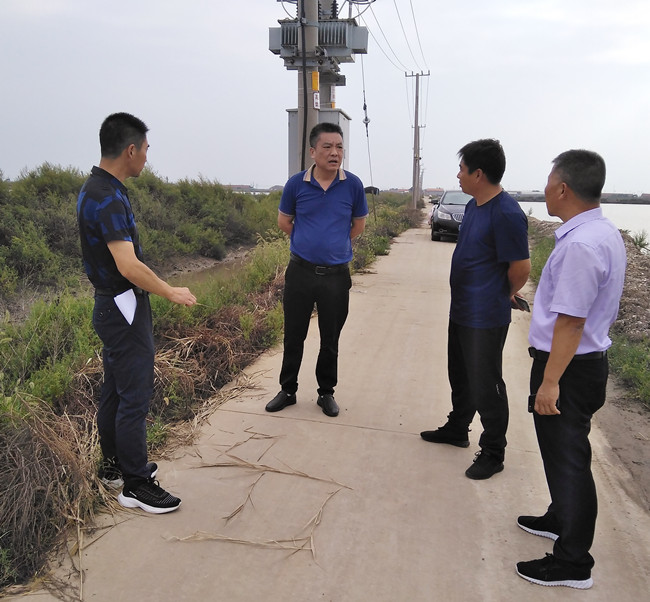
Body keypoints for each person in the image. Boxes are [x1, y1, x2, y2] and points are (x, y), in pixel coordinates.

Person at [516, 150, 626, 589]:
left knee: (569, 461)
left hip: (569, 369)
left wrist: (550, 382)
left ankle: (573, 562)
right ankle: (560, 517)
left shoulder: (582, 244)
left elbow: (572, 322)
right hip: (582, 364)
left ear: (562, 188)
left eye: (548, 181)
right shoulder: (600, 230)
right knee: (563, 454)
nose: (544, 189)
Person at [77, 112, 196, 514]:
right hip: (122, 307)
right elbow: (127, 266)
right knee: (135, 396)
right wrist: (170, 291)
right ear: (130, 150)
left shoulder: (96, 187)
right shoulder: (107, 197)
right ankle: (136, 485)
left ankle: (114, 467)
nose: (147, 156)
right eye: (145, 148)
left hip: (111, 306)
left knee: (116, 389)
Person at [420, 139, 531, 479]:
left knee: (486, 383)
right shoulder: (473, 206)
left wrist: (501, 293)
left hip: (486, 316)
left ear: (479, 174)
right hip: (462, 309)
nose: (458, 175)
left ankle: (494, 451)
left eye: (462, 169)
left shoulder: (507, 213)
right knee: (460, 374)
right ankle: (458, 428)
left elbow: (521, 268)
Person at [265, 122, 368, 417]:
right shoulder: (296, 184)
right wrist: (308, 241)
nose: (335, 153)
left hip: (336, 276)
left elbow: (358, 226)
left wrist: (333, 244)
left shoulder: (353, 185)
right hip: (300, 272)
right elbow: (284, 222)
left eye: (339, 147)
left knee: (330, 338)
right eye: (328, 147)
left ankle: (326, 393)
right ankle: (287, 390)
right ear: (313, 151)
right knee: (293, 335)